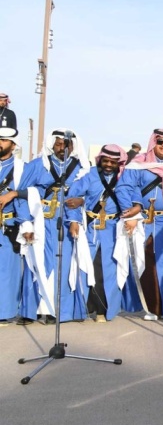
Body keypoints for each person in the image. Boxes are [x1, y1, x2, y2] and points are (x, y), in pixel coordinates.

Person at [16, 129, 91, 324]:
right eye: (58, 144)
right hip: (40, 220)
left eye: (66, 145)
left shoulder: (81, 168)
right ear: (51, 144)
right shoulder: (37, 165)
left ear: (73, 146)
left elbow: (88, 195)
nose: (62, 148)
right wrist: (25, 223)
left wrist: (76, 217)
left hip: (67, 222)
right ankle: (31, 311)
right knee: (36, 264)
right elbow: (22, 194)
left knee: (64, 265)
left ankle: (57, 311)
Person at [117, 129, 163, 319]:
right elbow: (125, 187)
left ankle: (160, 309)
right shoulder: (138, 164)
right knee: (141, 263)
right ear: (153, 142)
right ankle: (142, 306)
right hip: (141, 220)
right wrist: (131, 213)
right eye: (160, 141)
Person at [66, 144, 133, 322]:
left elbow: (132, 200)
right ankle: (84, 309)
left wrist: (135, 212)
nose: (109, 165)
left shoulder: (123, 179)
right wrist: (73, 220)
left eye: (113, 162)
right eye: (106, 161)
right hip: (91, 228)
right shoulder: (89, 177)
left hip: (113, 230)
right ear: (100, 160)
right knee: (88, 267)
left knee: (108, 270)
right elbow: (72, 199)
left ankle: (103, 311)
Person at [0, 127, 34, 326]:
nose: (0, 143)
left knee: (7, 271)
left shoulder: (23, 168)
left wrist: (27, 224)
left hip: (8, 224)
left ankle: (4, 311)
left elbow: (25, 197)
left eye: (4, 140)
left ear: (13, 144)